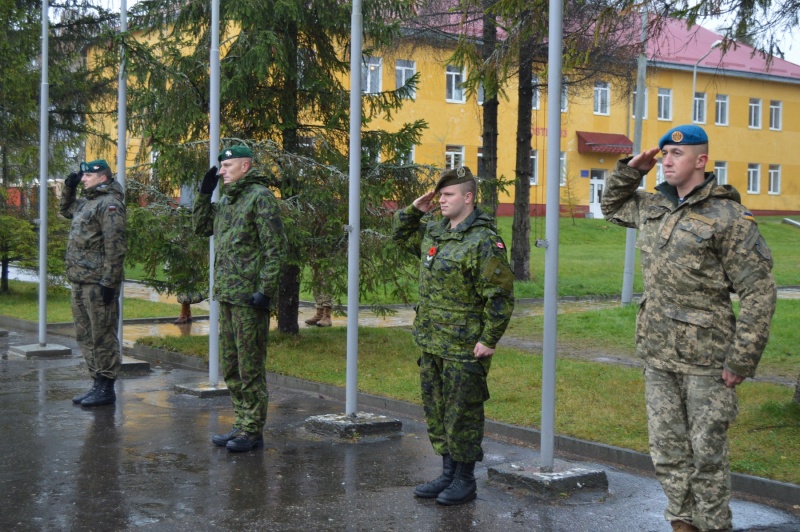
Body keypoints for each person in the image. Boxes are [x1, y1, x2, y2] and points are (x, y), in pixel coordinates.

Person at [601, 125, 777, 532]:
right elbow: (611, 206)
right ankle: (682, 523)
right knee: (667, 452)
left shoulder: (729, 217)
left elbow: (758, 293)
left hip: (708, 360)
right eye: (663, 154)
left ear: (701, 161)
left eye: (676, 155)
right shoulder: (652, 206)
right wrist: (632, 169)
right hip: (658, 354)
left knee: (707, 456)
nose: (666, 161)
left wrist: (741, 359)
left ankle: (714, 526)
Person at [392, 166, 515, 505]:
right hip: (432, 340)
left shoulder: (485, 241)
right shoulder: (435, 231)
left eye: (447, 195)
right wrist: (414, 211)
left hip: (464, 345)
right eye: (440, 195)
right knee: (437, 409)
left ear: (469, 198)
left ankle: (465, 479)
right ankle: (447, 472)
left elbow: (500, 296)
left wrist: (489, 339)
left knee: (463, 412)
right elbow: (400, 238)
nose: (441, 200)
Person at [194, 145, 287, 452]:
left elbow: (275, 247)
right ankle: (241, 422)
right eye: (221, 166)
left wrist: (266, 290)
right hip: (228, 295)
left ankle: (252, 429)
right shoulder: (228, 200)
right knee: (232, 365)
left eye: (228, 165)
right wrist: (204, 195)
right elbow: (201, 228)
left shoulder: (259, 197)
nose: (222, 171)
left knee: (250, 367)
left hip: (249, 297)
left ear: (245, 166)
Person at [59, 159, 127, 407]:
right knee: (84, 335)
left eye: (87, 176)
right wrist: (69, 187)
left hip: (98, 284)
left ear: (103, 177)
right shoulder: (87, 202)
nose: (84, 179)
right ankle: (97, 382)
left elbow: (115, 245)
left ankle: (106, 386)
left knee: (103, 335)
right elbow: (65, 210)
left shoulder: (109, 204)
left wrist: (110, 282)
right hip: (80, 281)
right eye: (82, 176)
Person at [304, 263, 333, 327]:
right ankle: (319, 315)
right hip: (315, 256)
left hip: (326, 258)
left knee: (326, 281)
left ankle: (326, 316)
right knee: (316, 281)